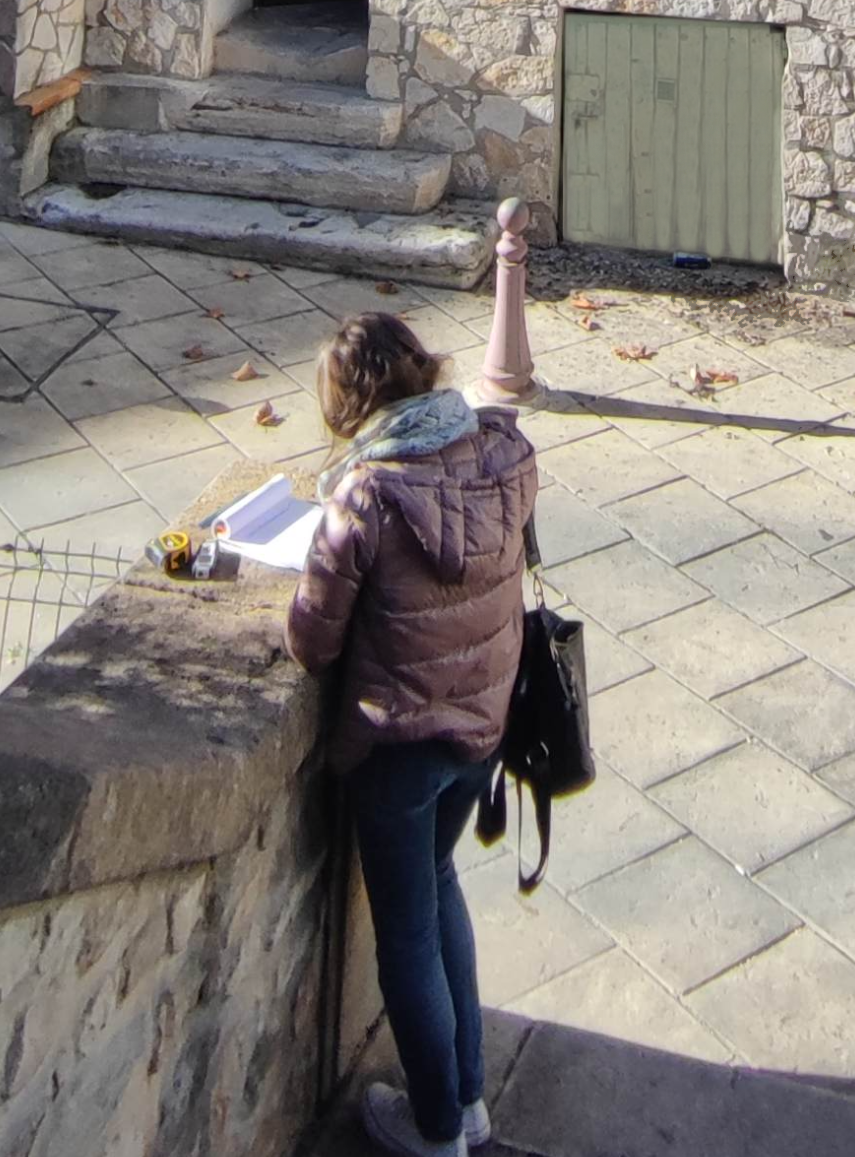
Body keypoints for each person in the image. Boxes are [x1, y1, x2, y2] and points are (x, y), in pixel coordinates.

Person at [288, 309, 538, 1157]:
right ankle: (469, 1102)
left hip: (397, 742)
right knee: (442, 887)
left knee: (406, 933)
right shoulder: (500, 450)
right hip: (482, 726)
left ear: (353, 401)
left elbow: (312, 640)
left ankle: (436, 1131)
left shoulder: (367, 493)